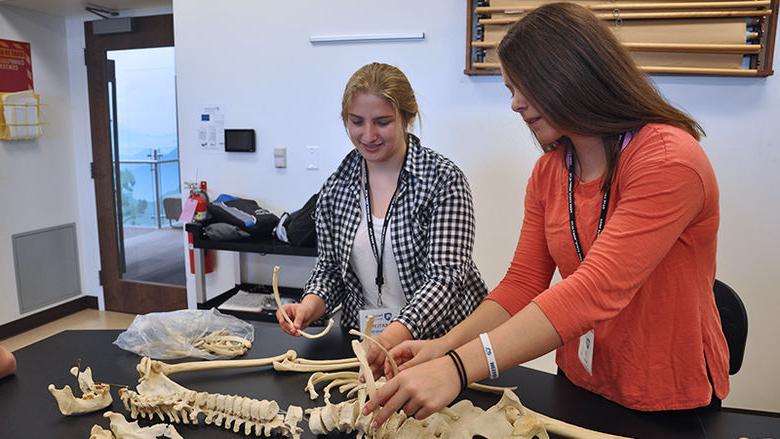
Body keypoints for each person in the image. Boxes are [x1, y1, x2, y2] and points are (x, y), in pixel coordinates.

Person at [364, 2, 729, 426]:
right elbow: (522, 284)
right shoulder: (550, 172)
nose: (515, 105)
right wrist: (444, 347)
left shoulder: (668, 160)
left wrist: (459, 367)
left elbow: (595, 289)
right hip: (580, 382)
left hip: (665, 396)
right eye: (509, 90)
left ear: (572, 75)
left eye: (524, 88)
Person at [276, 62, 488, 374]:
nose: (368, 134)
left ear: (407, 118)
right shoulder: (336, 187)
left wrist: (394, 334)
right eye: (356, 121)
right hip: (367, 348)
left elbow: (446, 279)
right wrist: (309, 305)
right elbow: (332, 271)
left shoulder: (443, 180)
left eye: (382, 122)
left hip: (438, 348)